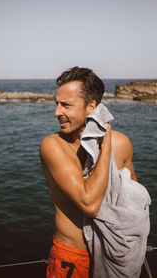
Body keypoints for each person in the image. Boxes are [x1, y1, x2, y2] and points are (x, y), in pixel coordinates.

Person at [40, 66, 137, 278]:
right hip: (72, 258)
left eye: (65, 105)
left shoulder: (123, 144)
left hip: (115, 255)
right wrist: (107, 144)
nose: (57, 112)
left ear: (91, 107)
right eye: (56, 104)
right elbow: (89, 204)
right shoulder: (53, 146)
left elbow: (134, 204)